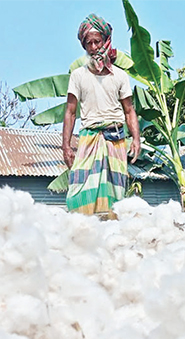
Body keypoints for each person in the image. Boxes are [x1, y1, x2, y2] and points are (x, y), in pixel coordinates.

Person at [62, 13, 141, 216]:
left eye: (97, 41)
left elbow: (129, 110)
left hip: (115, 138)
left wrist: (136, 139)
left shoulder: (120, 76)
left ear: (106, 41)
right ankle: (81, 231)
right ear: (84, 46)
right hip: (89, 138)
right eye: (89, 43)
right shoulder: (78, 76)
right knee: (79, 189)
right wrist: (66, 145)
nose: (94, 47)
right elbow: (70, 112)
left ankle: (112, 232)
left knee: (114, 191)